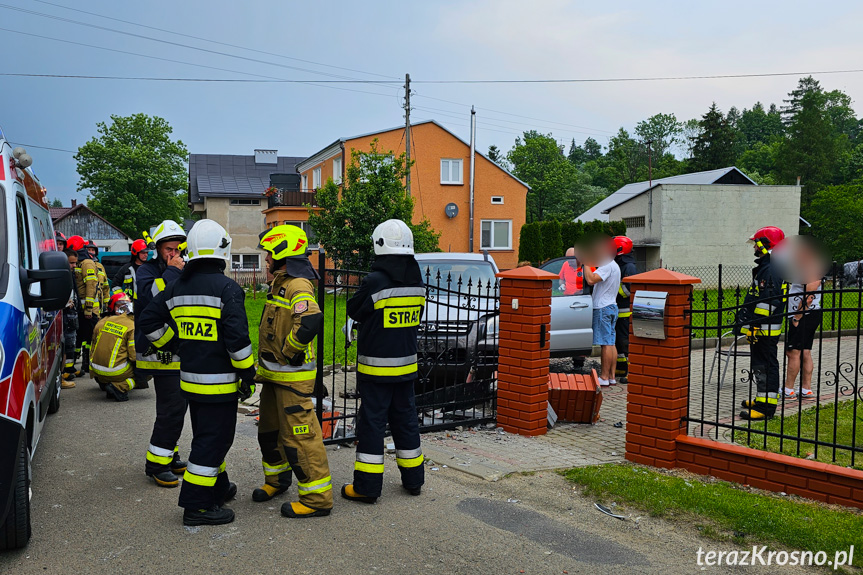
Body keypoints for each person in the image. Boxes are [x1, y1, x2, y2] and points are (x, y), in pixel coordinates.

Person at [139, 219, 255, 526]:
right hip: (220, 385)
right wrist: (248, 374)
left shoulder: (177, 286)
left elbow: (147, 321)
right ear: (223, 250)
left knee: (207, 437)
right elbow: (237, 341)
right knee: (213, 441)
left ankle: (218, 486)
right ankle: (197, 506)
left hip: (190, 381)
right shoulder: (227, 288)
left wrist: (174, 342)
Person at [342, 219, 425, 504]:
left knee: (372, 424)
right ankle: (414, 480)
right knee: (405, 421)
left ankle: (367, 487)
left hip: (376, 368)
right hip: (407, 368)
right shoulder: (417, 279)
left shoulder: (375, 281)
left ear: (379, 245)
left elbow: (354, 308)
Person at [253, 224, 332, 519]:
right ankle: (277, 480)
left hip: (292, 380)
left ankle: (317, 499)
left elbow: (310, 321)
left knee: (301, 439)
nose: (265, 260)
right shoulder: (281, 283)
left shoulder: (298, 285)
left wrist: (287, 352)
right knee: (269, 434)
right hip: (274, 378)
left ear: (282, 253)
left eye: (268, 254)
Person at [135, 220, 188, 487]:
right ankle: (156, 464)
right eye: (169, 249)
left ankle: (169, 453)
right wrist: (171, 273)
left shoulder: (180, 269)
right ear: (158, 249)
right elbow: (150, 299)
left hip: (178, 350)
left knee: (176, 408)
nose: (175, 254)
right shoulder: (146, 271)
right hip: (160, 353)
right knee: (171, 408)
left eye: (179, 249)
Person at [737, 226, 786, 421]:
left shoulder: (771, 269)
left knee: (766, 365)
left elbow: (769, 302)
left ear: (765, 245)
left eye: (756, 244)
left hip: (765, 328)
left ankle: (766, 409)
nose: (754, 248)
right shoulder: (769, 266)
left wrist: (755, 325)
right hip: (761, 328)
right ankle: (761, 400)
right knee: (760, 364)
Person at [581, 237, 621, 387]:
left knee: (605, 343)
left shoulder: (607, 265)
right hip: (611, 306)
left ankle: (603, 377)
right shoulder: (615, 266)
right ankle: (611, 376)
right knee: (610, 342)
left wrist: (584, 262)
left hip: (603, 308)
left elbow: (591, 280)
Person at [90, 293, 137, 401]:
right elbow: (134, 355)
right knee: (146, 368)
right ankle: (119, 387)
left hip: (96, 371)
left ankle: (104, 382)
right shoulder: (131, 325)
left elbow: (92, 349)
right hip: (116, 372)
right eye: (120, 305)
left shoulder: (101, 322)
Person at [68, 235, 100, 377]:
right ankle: (77, 364)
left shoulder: (86, 263)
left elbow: (91, 286)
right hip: (80, 309)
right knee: (80, 337)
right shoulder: (79, 262)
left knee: (90, 338)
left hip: (89, 310)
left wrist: (88, 308)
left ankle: (91, 365)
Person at [613, 236, 637, 383]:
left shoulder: (629, 267)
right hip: (618, 309)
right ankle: (620, 369)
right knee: (618, 342)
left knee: (625, 341)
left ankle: (631, 372)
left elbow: (630, 290)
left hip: (625, 310)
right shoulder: (619, 265)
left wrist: (614, 289)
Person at [61, 249, 79, 388]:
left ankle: (66, 372)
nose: (74, 266)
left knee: (69, 345)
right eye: (71, 263)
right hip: (64, 315)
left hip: (71, 314)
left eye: (75, 263)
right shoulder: (62, 275)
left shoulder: (70, 274)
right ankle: (62, 375)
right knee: (64, 346)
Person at [113, 239, 150, 307]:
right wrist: (123, 299)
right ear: (135, 253)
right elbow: (115, 285)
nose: (146, 255)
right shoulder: (126, 269)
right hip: (131, 305)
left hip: (147, 304)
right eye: (143, 253)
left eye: (147, 252)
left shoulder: (150, 268)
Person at [87, 240, 111, 314]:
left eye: (93, 250)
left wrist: (108, 306)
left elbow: (106, 287)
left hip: (99, 309)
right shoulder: (83, 265)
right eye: (88, 250)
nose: (91, 252)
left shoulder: (100, 266)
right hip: (88, 308)